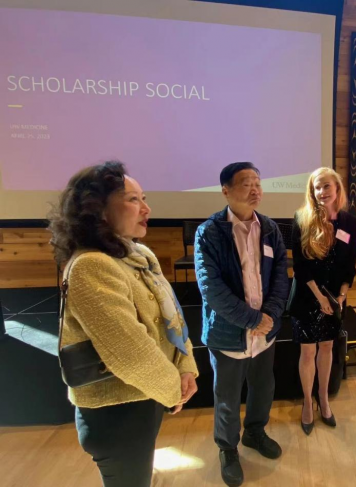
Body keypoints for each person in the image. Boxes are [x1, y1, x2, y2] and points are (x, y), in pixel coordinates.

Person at [49, 161, 199, 487]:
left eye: (144, 198)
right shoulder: (91, 265)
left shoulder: (139, 254)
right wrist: (174, 390)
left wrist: (186, 366)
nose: (146, 208)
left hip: (145, 397)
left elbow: (172, 316)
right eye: (133, 199)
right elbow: (131, 354)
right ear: (98, 209)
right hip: (115, 415)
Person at [194, 162, 288, 487]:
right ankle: (228, 448)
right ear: (226, 191)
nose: (255, 190)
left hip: (265, 334)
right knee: (227, 397)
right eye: (246, 183)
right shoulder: (209, 232)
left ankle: (255, 432)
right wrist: (253, 319)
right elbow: (211, 288)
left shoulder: (271, 229)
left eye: (258, 183)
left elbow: (280, 277)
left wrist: (269, 316)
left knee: (263, 388)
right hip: (228, 333)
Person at [287, 167, 356, 435]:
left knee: (327, 347)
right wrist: (320, 298)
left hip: (335, 297)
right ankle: (308, 402)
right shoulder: (301, 219)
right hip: (307, 296)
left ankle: (324, 399)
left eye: (326, 186)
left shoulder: (349, 222)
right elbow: (300, 266)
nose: (321, 191)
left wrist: (340, 297)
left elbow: (350, 265)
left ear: (337, 188)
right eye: (316, 187)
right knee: (308, 352)